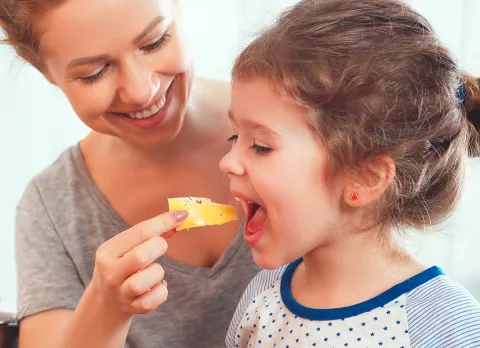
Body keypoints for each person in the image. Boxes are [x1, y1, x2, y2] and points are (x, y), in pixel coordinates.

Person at [0, 0, 260, 347]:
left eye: (154, 42)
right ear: (44, 69)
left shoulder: (305, 131)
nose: (141, 91)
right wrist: (106, 309)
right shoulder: (52, 209)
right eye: (95, 72)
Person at [220, 0, 480, 347]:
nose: (226, 161)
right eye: (235, 136)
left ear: (364, 178)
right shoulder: (262, 294)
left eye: (262, 145)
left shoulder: (442, 326)